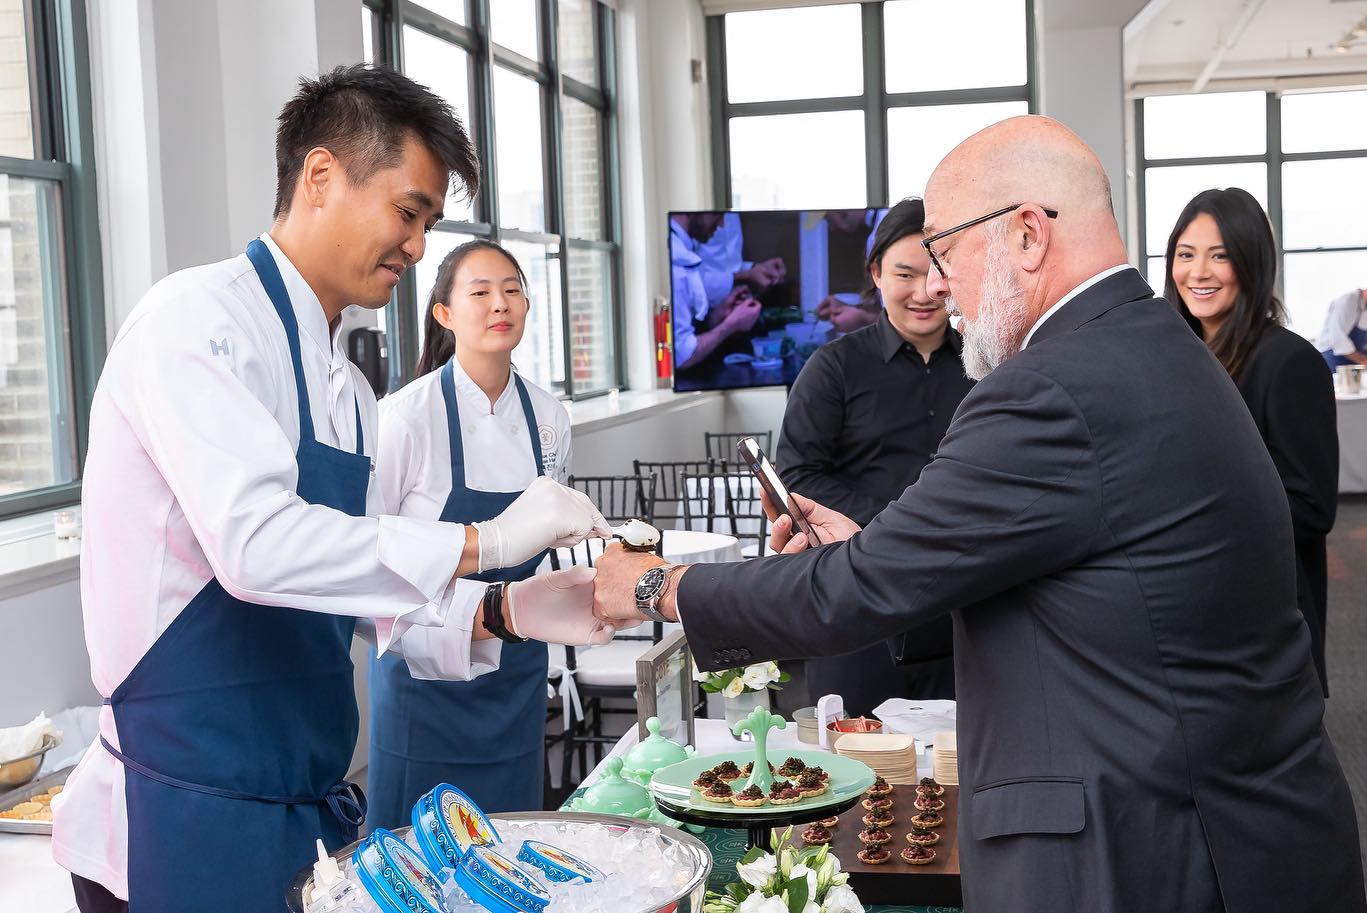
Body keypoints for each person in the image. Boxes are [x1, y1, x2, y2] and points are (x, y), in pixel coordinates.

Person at [591, 116, 1364, 912]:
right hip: (1232, 824)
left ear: (1026, 234)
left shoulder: (1050, 386)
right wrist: (880, 547)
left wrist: (656, 587)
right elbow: (1085, 582)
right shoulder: (1149, 342)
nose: (939, 284)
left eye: (945, 249)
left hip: (1155, 846)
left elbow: (857, 589)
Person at [56, 66, 616, 913]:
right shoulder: (196, 322)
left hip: (300, 808)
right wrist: (489, 541)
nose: (417, 247)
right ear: (320, 176)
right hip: (180, 811)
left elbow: (354, 592)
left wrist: (508, 610)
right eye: (407, 212)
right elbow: (257, 547)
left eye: (428, 223)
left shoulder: (349, 391)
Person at [367, 240, 573, 824]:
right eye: (479, 292)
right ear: (444, 314)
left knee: (510, 842)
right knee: (415, 852)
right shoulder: (405, 417)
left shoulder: (549, 417)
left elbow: (548, 536)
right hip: (422, 675)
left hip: (516, 667)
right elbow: (372, 555)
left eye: (511, 290)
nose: (499, 304)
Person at [777, 197, 974, 713]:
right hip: (858, 600)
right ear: (876, 274)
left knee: (965, 752)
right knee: (853, 752)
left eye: (936, 271)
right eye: (905, 274)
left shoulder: (988, 365)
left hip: (964, 606)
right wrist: (896, 524)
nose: (923, 292)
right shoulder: (834, 368)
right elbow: (798, 474)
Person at [1164, 188, 1338, 695]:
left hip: (1261, 626)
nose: (1198, 272)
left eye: (1220, 256)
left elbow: (1312, 507)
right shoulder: (1175, 358)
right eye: (1186, 254)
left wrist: (1186, 508)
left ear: (1252, 263)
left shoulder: (1288, 361)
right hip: (1187, 613)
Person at [670, 212, 766, 371]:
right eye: (717, 215)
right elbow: (682, 356)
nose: (722, 225)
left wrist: (716, 317)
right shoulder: (677, 260)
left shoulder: (683, 249)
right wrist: (730, 325)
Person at [1313, 286, 1367, 370]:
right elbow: (1338, 339)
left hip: (1354, 360)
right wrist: (1363, 360)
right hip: (1332, 357)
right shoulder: (1348, 300)